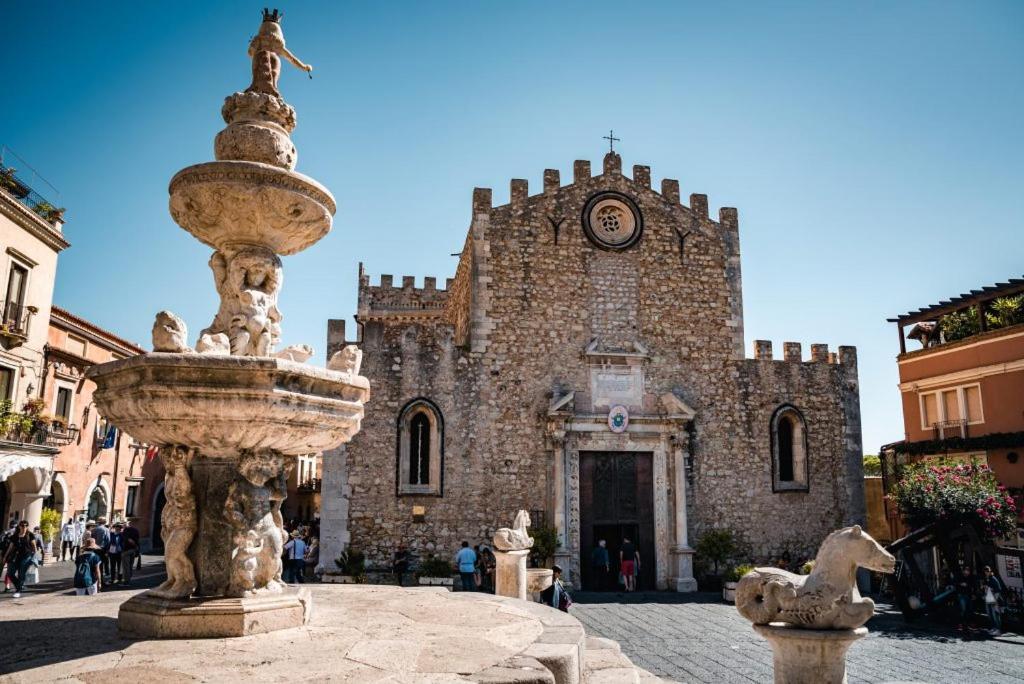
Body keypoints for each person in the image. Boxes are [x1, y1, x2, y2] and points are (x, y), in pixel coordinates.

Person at [1, 520, 38, 598]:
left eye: (26, 526)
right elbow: (10, 547)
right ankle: (19, 585)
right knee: (10, 573)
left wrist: (33, 557)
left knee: (21, 574)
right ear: (19, 526)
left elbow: (34, 547)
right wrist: (5, 557)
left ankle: (18, 591)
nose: (24, 527)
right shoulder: (15, 536)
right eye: (22, 525)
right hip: (15, 557)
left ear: (27, 526)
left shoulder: (30, 535)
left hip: (26, 557)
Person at [981, 565, 1005, 635]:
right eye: (985, 571)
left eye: (987, 571)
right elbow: (984, 588)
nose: (986, 573)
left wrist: (995, 600)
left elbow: (998, 590)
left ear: (990, 571)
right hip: (988, 598)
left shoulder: (993, 579)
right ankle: (994, 628)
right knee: (990, 614)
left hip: (993, 599)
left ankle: (998, 630)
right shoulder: (986, 579)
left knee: (995, 614)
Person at [955, 565, 978, 630]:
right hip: (961, 595)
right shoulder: (960, 576)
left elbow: (974, 586)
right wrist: (960, 584)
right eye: (966, 570)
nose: (967, 572)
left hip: (969, 595)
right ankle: (961, 624)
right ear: (963, 571)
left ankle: (971, 623)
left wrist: (974, 594)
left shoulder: (971, 577)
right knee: (963, 609)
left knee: (970, 609)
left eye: (968, 571)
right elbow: (955, 584)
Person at [90, 518, 111, 582]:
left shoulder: (93, 530)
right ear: (104, 522)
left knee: (95, 564)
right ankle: (100, 580)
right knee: (101, 565)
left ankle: (94, 580)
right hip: (102, 549)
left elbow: (92, 540)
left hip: (94, 548)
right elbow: (108, 540)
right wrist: (107, 551)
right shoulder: (106, 529)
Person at [121, 519, 140, 584]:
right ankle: (129, 579)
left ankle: (126, 581)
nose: (122, 525)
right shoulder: (135, 530)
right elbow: (137, 540)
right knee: (130, 565)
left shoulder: (125, 530)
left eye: (123, 523)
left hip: (127, 550)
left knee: (126, 566)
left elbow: (128, 540)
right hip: (133, 549)